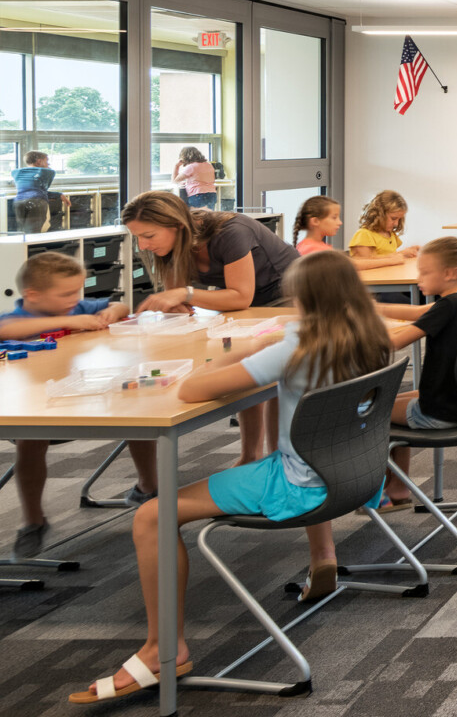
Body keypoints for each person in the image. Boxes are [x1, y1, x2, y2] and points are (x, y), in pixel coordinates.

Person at [67, 251, 393, 704]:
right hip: (353, 473)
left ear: (302, 299)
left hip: (300, 485)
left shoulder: (295, 348)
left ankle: (164, 648)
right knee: (286, 433)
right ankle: (324, 556)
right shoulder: (372, 338)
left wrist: (242, 351)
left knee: (150, 516)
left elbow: (191, 389)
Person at [122, 190, 300, 465]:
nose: (142, 245)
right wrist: (177, 302)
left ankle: (279, 458)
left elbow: (240, 296)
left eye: (148, 236)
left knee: (273, 371)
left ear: (177, 226)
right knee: (240, 367)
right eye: (137, 237)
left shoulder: (231, 231)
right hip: (247, 304)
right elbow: (179, 295)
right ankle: (250, 457)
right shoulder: (170, 246)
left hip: (287, 291)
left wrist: (185, 295)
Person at [2, 252, 158, 559]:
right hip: (35, 408)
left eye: (78, 292)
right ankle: (33, 520)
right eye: (67, 294)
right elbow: (6, 330)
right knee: (29, 442)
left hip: (82, 396)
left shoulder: (77, 305)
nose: (76, 299)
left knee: (139, 408)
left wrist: (113, 312)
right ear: (32, 294)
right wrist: (70, 321)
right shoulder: (19, 319)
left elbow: (120, 305)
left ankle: (147, 487)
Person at [375, 236, 457, 508]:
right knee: (390, 402)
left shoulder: (448, 306)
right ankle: (398, 489)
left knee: (371, 410)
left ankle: (383, 491)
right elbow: (420, 312)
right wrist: (376, 309)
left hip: (443, 411)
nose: (418, 278)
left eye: (424, 272)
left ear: (451, 273)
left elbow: (394, 343)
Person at [347, 190, 419, 270]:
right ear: (380, 214)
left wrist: (404, 253)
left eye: (399, 219)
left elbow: (389, 257)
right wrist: (399, 255)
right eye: (393, 218)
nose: (396, 224)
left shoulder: (390, 234)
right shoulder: (363, 234)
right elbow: (365, 263)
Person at [10, 150, 57, 234]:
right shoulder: (48, 172)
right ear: (39, 161)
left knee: (21, 230)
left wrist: (58, 195)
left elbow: (30, 187)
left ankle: (22, 247)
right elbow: (43, 190)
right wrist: (47, 167)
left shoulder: (15, 172)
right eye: (47, 161)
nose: (48, 164)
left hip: (18, 202)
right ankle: (31, 247)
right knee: (33, 231)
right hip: (36, 201)